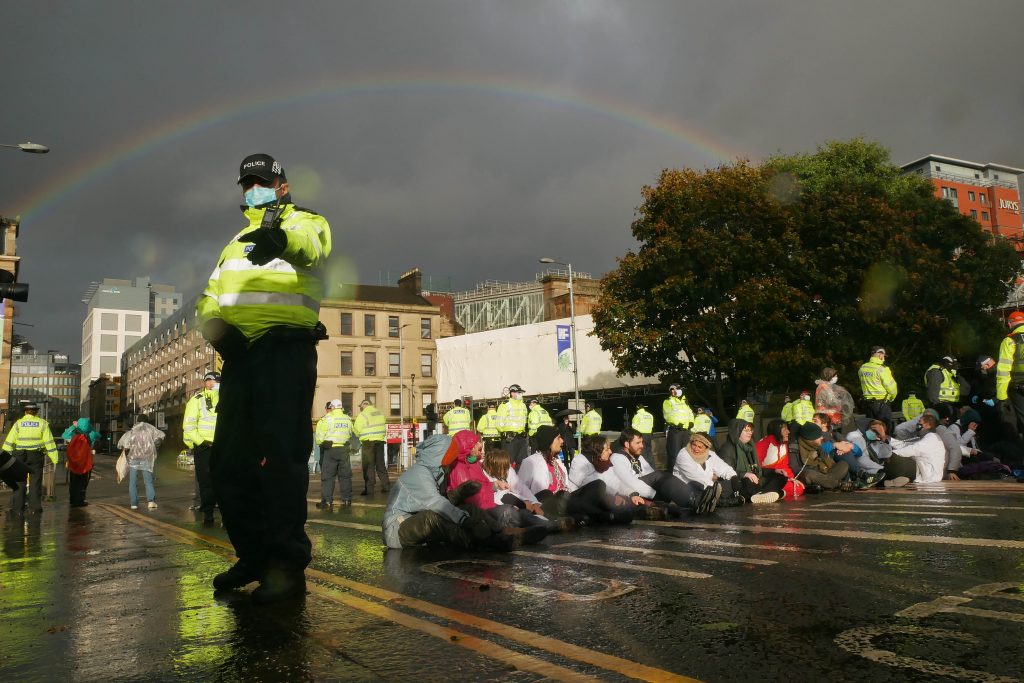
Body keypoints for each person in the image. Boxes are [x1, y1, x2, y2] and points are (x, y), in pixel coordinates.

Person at [197, 152, 331, 603]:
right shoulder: (233, 242)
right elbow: (209, 297)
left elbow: (312, 248)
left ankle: (287, 570)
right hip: (239, 359)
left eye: (262, 181)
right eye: (247, 183)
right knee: (228, 467)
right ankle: (254, 556)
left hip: (284, 352)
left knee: (281, 464)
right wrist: (219, 333)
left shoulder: (306, 221)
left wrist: (280, 238)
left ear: (283, 186)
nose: (253, 188)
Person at [381, 435, 543, 551]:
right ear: (439, 454)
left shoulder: (436, 473)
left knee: (468, 509)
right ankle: (488, 542)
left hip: (417, 519)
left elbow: (442, 500)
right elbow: (438, 505)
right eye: (450, 454)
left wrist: (461, 495)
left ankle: (502, 531)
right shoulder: (419, 474)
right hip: (397, 529)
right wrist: (467, 522)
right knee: (435, 518)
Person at [446, 431, 553, 536]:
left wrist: (494, 486)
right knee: (507, 511)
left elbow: (518, 486)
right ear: (468, 447)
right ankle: (538, 529)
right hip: (479, 510)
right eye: (476, 443)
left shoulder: (474, 464)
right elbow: (472, 497)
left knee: (521, 510)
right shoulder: (460, 468)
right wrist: (497, 494)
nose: (479, 445)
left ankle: (545, 525)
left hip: (488, 505)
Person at [518, 426, 627, 525]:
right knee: (557, 496)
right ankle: (607, 515)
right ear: (549, 442)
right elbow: (520, 490)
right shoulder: (530, 462)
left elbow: (568, 488)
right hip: (547, 502)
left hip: (566, 501)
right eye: (558, 438)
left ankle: (594, 515)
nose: (562, 441)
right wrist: (532, 504)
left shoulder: (558, 462)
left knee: (598, 484)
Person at [608, 428, 694, 515]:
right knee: (659, 475)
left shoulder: (638, 457)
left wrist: (663, 490)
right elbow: (630, 482)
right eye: (638, 443)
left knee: (663, 477)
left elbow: (650, 473)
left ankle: (693, 497)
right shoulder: (617, 458)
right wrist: (655, 495)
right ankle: (692, 500)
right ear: (627, 444)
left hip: (647, 490)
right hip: (635, 493)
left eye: (642, 442)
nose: (642, 446)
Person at [3, 403, 58, 515]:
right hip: (36, 456)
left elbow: (8, 443)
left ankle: (18, 510)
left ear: (25, 412)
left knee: (19, 483)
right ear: (36, 412)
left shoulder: (18, 424)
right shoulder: (43, 424)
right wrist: (55, 459)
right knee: (35, 483)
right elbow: (49, 443)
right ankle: (35, 509)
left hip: (19, 456)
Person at [716, 419, 786, 504]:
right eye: (746, 430)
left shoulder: (750, 446)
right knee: (748, 480)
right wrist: (745, 474)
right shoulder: (727, 449)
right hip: (741, 482)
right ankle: (767, 494)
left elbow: (756, 469)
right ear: (737, 431)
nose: (750, 433)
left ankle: (761, 495)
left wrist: (774, 470)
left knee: (781, 476)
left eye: (751, 430)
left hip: (756, 480)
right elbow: (725, 472)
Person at [183, 370, 220, 526]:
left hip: (222, 446)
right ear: (205, 383)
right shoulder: (196, 400)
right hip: (203, 447)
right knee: (206, 483)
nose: (213, 383)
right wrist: (201, 442)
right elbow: (189, 426)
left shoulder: (227, 398)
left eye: (217, 381)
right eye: (210, 380)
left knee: (224, 482)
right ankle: (208, 516)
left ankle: (227, 518)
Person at [669, 433, 730, 513]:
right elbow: (696, 476)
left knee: (728, 483)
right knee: (697, 485)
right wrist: (715, 489)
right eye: (694, 445)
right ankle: (718, 502)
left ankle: (716, 501)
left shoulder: (711, 454)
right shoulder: (683, 454)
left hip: (707, 487)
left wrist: (733, 477)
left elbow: (723, 468)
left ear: (706, 448)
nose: (696, 449)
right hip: (686, 489)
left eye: (700, 447)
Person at [117, 415, 165, 511]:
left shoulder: (133, 431)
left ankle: (133, 503)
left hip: (133, 458)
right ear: (147, 421)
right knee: (148, 481)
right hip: (146, 458)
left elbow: (123, 444)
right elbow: (161, 436)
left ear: (137, 421)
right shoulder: (151, 429)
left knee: (133, 482)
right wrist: (155, 447)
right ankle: (151, 501)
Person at [791, 422, 851, 492]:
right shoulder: (795, 448)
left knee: (843, 464)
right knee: (809, 475)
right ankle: (838, 485)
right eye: (819, 436)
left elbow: (828, 461)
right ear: (810, 439)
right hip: (811, 474)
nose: (822, 438)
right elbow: (795, 469)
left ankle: (824, 485)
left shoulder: (817, 446)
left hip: (824, 472)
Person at [315, 399, 353, 510]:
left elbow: (319, 438)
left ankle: (327, 501)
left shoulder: (326, 419)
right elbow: (350, 433)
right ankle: (346, 500)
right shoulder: (347, 419)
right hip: (344, 450)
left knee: (328, 477)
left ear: (331, 407)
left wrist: (322, 442)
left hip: (330, 450)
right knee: (345, 476)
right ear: (341, 407)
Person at [888, 412, 946, 483]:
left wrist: (891, 454)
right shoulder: (926, 438)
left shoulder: (931, 438)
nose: (917, 425)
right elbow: (906, 445)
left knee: (896, 460)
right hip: (922, 470)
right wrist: (889, 439)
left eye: (920, 423)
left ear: (928, 425)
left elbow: (913, 449)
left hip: (927, 474)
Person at [755, 420, 805, 498]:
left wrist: (791, 479)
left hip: (782, 480)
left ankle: (776, 495)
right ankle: (772, 494)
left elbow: (785, 467)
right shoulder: (762, 444)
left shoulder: (783, 445)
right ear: (777, 431)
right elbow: (757, 468)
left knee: (798, 487)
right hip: (767, 479)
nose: (788, 432)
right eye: (785, 429)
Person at [996, 311, 1024, 441]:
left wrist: (1002, 397)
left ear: (1009, 323)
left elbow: (1003, 371)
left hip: (1019, 389)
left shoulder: (1010, 340)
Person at [353, 399, 388, 496]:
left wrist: (359, 437)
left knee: (369, 466)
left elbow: (356, 430)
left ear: (365, 405)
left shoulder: (363, 415)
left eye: (361, 406)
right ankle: (386, 487)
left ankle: (369, 490)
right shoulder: (380, 413)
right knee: (380, 465)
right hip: (380, 442)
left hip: (368, 443)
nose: (360, 408)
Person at [63, 417, 99, 508]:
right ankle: (80, 500)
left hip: (73, 463)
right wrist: (90, 427)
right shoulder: (91, 434)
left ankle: (72, 500)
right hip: (85, 463)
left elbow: (64, 435)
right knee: (83, 482)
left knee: (73, 482)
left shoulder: (72, 434)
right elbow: (98, 435)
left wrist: (73, 426)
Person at [858, 346, 897, 425]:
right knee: (884, 429)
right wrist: (892, 398)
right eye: (884, 356)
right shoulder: (882, 369)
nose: (884, 358)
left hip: (868, 405)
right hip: (882, 405)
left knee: (871, 430)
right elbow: (892, 388)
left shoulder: (862, 368)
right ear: (880, 355)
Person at [663, 384, 694, 472]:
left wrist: (691, 421)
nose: (673, 391)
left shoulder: (684, 401)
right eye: (671, 390)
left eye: (675, 389)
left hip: (685, 431)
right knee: (674, 455)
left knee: (687, 454)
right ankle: (672, 475)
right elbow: (667, 415)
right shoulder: (668, 401)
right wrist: (677, 423)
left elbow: (690, 413)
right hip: (675, 430)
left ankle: (687, 474)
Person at [497, 384, 529, 467]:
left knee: (523, 463)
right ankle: (508, 479)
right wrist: (504, 432)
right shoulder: (505, 405)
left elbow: (524, 420)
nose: (520, 394)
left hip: (521, 437)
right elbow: (499, 422)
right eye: (518, 392)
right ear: (512, 393)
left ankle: (521, 479)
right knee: (508, 463)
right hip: (509, 438)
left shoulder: (523, 405)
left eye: (521, 392)